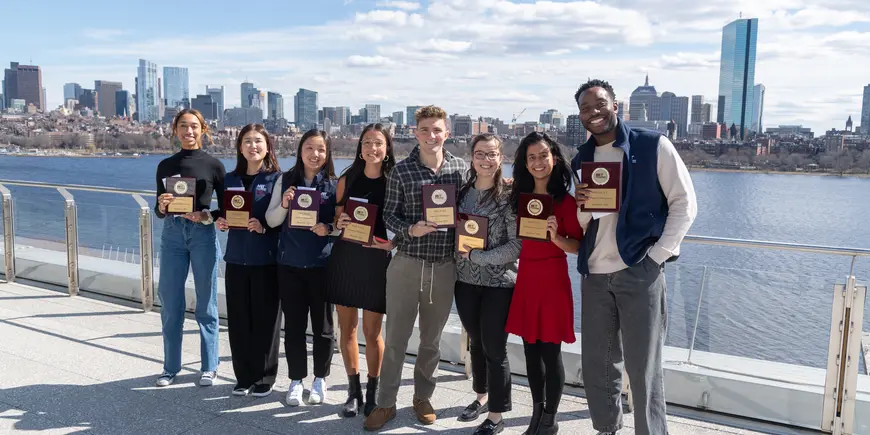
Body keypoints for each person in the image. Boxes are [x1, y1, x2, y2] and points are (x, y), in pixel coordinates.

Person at [571, 79, 697, 435]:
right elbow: (583, 223)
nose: (593, 113)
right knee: (597, 364)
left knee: (643, 368)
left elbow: (684, 204)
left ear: (616, 105)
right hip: (594, 273)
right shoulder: (581, 158)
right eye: (585, 108)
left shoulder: (653, 145)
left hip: (638, 272)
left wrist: (655, 257)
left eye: (599, 104)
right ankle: (606, 429)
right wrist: (580, 205)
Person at [364, 106, 468, 431]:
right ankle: (385, 403)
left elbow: (473, 210)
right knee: (395, 339)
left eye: (437, 130)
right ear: (415, 133)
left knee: (431, 341)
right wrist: (411, 230)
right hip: (407, 265)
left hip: (444, 267)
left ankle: (423, 397)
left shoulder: (460, 170)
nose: (431, 136)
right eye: (425, 130)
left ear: (447, 133)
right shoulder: (402, 171)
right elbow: (388, 216)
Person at [506, 132, 582, 435]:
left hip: (552, 279)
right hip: (526, 278)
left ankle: (550, 418)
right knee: (530, 352)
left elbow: (578, 247)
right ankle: (536, 414)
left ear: (554, 158)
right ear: (525, 163)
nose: (538, 162)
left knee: (551, 354)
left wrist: (557, 238)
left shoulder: (566, 202)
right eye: (531, 158)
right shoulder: (518, 198)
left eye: (543, 156)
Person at [326, 123, 396, 418]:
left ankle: (373, 390)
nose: (372, 148)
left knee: (372, 330)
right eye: (367, 143)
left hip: (377, 259)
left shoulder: (394, 180)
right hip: (347, 257)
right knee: (348, 328)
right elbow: (337, 213)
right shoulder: (348, 177)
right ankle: (353, 392)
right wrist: (339, 221)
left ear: (387, 148)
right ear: (360, 148)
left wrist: (392, 243)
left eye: (378, 143)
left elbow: (402, 218)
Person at [454, 133, 521, 435]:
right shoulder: (463, 192)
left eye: (492, 154)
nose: (485, 159)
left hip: (499, 284)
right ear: (472, 157)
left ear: (501, 158)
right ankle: (480, 396)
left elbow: (516, 245)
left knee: (495, 348)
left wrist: (480, 257)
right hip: (465, 281)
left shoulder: (510, 195)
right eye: (480, 153)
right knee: (476, 342)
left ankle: (497, 413)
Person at [153, 109, 225, 387]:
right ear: (175, 130)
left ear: (203, 130)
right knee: (171, 302)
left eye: (194, 126)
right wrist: (160, 206)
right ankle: (170, 367)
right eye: (183, 126)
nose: (189, 131)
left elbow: (226, 208)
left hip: (202, 234)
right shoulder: (165, 165)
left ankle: (209, 366)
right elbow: (160, 209)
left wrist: (206, 216)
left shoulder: (214, 165)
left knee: (206, 303)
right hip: (172, 234)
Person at [265, 129, 338, 407]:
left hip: (321, 265)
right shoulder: (285, 180)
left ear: (327, 153)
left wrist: (328, 228)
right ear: (300, 150)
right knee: (294, 326)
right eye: (309, 148)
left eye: (320, 149)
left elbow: (343, 227)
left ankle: (320, 377)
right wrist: (284, 204)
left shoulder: (334, 183)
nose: (315, 154)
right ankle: (296, 380)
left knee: (323, 328)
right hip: (290, 264)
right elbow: (271, 221)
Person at [215, 124, 282, 398]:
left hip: (266, 259)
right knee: (239, 319)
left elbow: (284, 219)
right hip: (236, 259)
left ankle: (265, 376)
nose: (252, 146)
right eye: (247, 142)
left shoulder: (278, 179)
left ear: (267, 146)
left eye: (258, 141)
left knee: (266, 320)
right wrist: (219, 220)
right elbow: (223, 211)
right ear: (239, 147)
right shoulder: (230, 179)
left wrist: (264, 226)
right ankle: (243, 376)